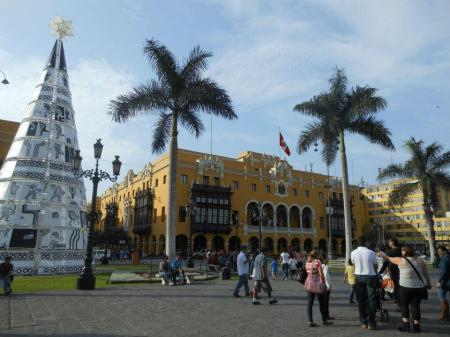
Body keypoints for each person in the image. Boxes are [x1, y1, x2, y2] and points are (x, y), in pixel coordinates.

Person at [379, 245, 431, 333]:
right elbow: (425, 273)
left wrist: (380, 254)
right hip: (418, 287)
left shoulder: (401, 260)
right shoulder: (420, 260)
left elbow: (388, 258)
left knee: (404, 305)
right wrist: (428, 284)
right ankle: (416, 326)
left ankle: (406, 325)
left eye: (402, 250)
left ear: (405, 252)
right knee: (415, 306)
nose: (401, 252)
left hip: (405, 287)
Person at [351, 236, 378, 330]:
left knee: (361, 300)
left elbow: (354, 265)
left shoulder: (353, 253)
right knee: (372, 299)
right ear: (366, 242)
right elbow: (375, 266)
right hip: (370, 276)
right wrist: (374, 273)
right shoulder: (371, 252)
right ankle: (371, 322)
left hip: (358, 276)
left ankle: (363, 321)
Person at [305, 250, 332, 327]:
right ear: (317, 255)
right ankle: (324, 320)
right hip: (317, 284)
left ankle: (310, 321)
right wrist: (323, 283)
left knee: (310, 303)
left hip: (309, 284)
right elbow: (321, 274)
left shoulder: (307, 262)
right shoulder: (317, 262)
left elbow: (308, 272)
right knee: (322, 302)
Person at [379, 237, 402, 303]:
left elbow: (386, 263)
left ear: (392, 242)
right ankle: (400, 297)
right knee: (400, 284)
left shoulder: (390, 252)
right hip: (402, 269)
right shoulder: (401, 250)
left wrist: (381, 271)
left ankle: (396, 298)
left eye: (389, 241)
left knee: (395, 284)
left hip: (393, 270)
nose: (388, 243)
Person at [437, 245, 450, 321]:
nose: (439, 253)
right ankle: (447, 314)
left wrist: (439, 281)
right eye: (438, 251)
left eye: (440, 251)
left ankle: (444, 315)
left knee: (441, 297)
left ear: (445, 251)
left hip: (445, 282)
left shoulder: (444, 259)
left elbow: (443, 272)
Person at [321, 254, 334, 320]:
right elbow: (326, 277)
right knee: (326, 302)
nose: (328, 259)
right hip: (325, 286)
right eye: (327, 258)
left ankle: (325, 315)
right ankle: (326, 316)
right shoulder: (326, 267)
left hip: (320, 286)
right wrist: (328, 286)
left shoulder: (320, 266)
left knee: (323, 302)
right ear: (324, 259)